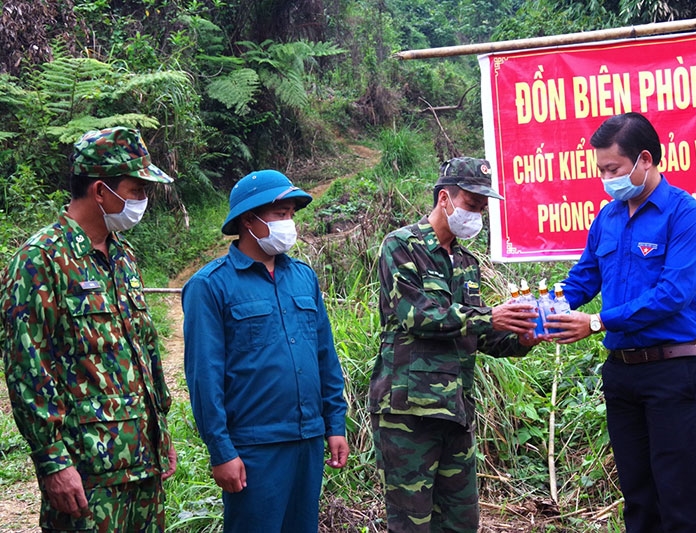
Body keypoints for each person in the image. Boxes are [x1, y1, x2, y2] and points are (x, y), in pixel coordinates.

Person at [543, 112, 696, 533]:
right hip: (621, 373)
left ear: (644, 160)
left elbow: (672, 296)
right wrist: (545, 307)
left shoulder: (685, 216)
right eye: (601, 170)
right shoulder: (609, 217)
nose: (606, 178)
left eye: (613, 169)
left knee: (675, 490)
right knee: (637, 493)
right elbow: (583, 278)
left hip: (672, 371)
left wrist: (598, 322)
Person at [0, 126, 178, 532]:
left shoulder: (122, 258)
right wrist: (52, 461)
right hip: (87, 475)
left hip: (140, 467)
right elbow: (27, 369)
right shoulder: (40, 261)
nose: (142, 202)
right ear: (101, 191)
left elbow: (144, 349)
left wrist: (160, 430)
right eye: (136, 190)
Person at [368, 157, 541, 532]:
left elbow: (480, 333)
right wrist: (487, 316)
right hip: (408, 412)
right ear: (444, 198)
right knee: (412, 522)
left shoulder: (466, 261)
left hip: (456, 409)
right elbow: (418, 315)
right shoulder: (402, 246)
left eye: (482, 209)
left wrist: (523, 336)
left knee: (462, 522)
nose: (476, 215)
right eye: (471, 205)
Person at [182, 169, 349, 533]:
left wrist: (335, 423)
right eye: (279, 214)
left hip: (307, 440)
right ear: (248, 220)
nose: (289, 223)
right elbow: (204, 377)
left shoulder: (303, 277)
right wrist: (222, 451)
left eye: (291, 214)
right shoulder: (210, 286)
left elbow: (325, 356)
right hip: (254, 447)